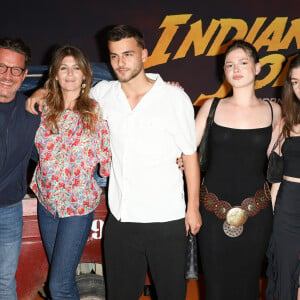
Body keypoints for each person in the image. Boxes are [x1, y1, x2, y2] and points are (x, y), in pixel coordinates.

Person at [26, 24, 201, 300]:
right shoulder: (103, 95)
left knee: (171, 294)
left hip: (166, 218)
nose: (121, 62)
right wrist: (41, 92)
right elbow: (69, 93)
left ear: (144, 54)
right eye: (115, 56)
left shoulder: (173, 97)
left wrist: (193, 208)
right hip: (121, 218)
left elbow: (190, 155)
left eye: (128, 54)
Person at [194, 40, 281, 300]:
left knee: (248, 287)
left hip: (258, 216)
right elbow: (185, 152)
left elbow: (279, 165)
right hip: (211, 214)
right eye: (229, 65)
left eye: (243, 62)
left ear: (257, 68)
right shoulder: (212, 107)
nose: (236, 69)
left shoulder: (274, 111)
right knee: (216, 288)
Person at [29, 45, 111, 299]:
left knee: (58, 286)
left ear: (85, 74)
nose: (70, 74)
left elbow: (108, 155)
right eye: (64, 68)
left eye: (76, 68)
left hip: (77, 208)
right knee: (63, 280)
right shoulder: (42, 109)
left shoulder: (96, 111)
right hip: (47, 205)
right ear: (54, 74)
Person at [0, 38, 40, 300]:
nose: (8, 75)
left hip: (9, 213)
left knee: (4, 284)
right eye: (2, 67)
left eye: (16, 69)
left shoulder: (32, 112)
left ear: (24, 74)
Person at [266, 53, 300, 300]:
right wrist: (274, 213)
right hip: (288, 203)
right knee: (285, 270)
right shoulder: (287, 123)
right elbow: (275, 177)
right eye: (295, 82)